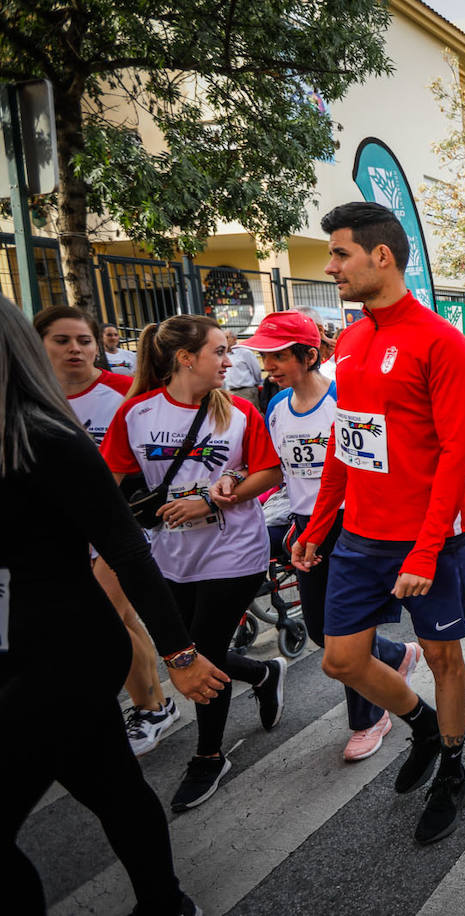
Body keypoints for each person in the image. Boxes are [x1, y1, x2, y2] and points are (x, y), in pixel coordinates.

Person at [2, 297, 223, 916]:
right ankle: (166, 902)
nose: (76, 350)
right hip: (12, 645)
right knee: (113, 786)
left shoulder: (48, 437)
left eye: (84, 339)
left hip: (62, 650)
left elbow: (128, 549)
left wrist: (180, 654)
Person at [291, 201, 465, 844]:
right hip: (361, 534)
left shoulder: (443, 343)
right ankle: (422, 726)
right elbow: (350, 442)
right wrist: (318, 525)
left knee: (443, 657)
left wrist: (426, 551)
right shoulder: (351, 338)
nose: (331, 265)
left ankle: (452, 767)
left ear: (381, 256)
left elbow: (457, 454)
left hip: (427, 539)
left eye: (340, 253)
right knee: (340, 658)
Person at [102, 314, 287, 811]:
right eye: (220, 352)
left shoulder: (241, 413)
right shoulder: (136, 414)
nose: (230, 362)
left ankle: (209, 756)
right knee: (183, 648)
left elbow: (269, 472)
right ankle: (262, 675)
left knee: (200, 652)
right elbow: (111, 483)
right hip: (169, 557)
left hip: (234, 552)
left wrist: (211, 502)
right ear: (186, 358)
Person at [240, 310, 421, 762]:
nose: (269, 366)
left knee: (349, 629)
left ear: (310, 354)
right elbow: (276, 471)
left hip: (352, 525)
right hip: (307, 526)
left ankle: (369, 717)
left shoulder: (346, 400)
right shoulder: (277, 408)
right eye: (265, 357)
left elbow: (371, 466)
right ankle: (396, 654)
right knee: (323, 632)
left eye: (278, 356)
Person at [34, 307, 181, 755]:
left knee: (105, 616)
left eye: (84, 340)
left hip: (121, 525)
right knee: (120, 619)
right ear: (38, 345)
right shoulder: (27, 397)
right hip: (52, 531)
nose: (75, 349)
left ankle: (148, 709)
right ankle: (154, 703)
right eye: (62, 340)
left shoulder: (123, 393)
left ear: (99, 346)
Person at [224, 329, 263, 408]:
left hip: (246, 391)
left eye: (226, 337)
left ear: (234, 338)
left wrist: (253, 387)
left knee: (253, 416)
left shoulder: (245, 352)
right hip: (230, 392)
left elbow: (256, 371)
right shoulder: (224, 355)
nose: (224, 340)